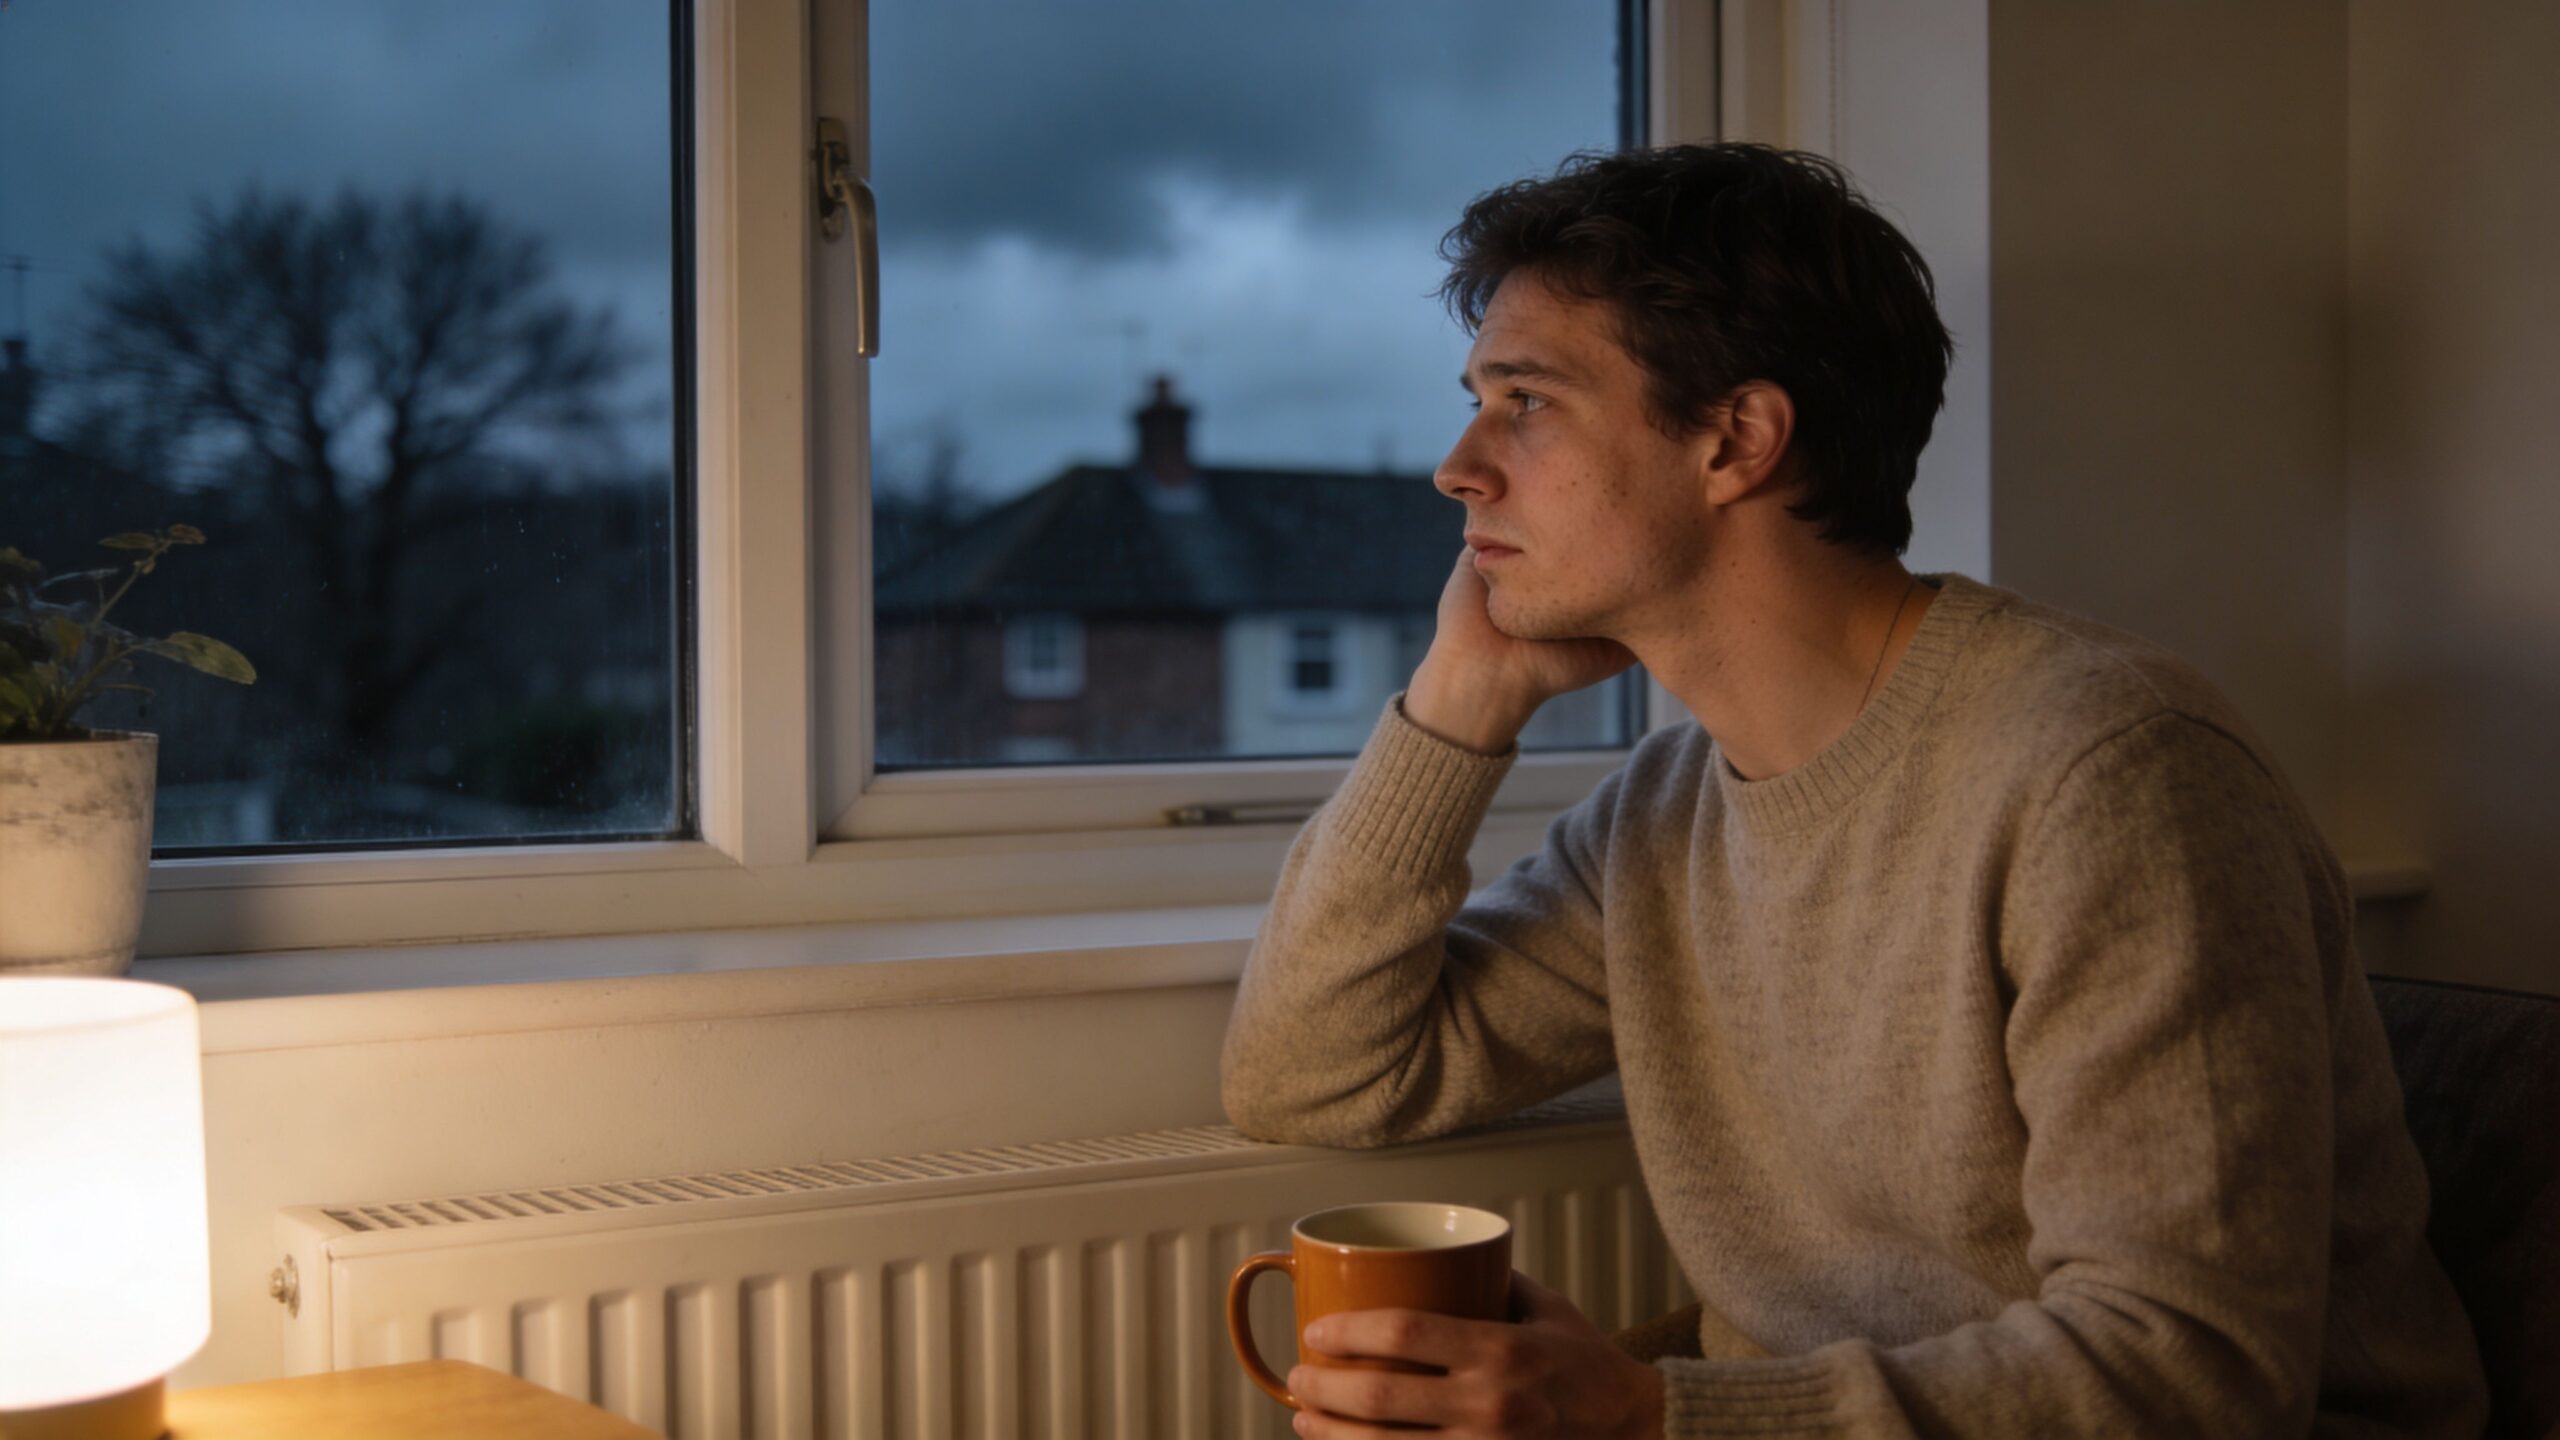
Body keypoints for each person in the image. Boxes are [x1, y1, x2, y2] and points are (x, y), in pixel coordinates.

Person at [1218, 143, 2488, 1438]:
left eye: (1525, 402)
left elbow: (2195, 1371)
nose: (1458, 465)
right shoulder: (1662, 818)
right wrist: (1456, 708)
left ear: (1736, 441)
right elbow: (1313, 1076)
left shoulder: (2107, 773)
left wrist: (1656, 1418)